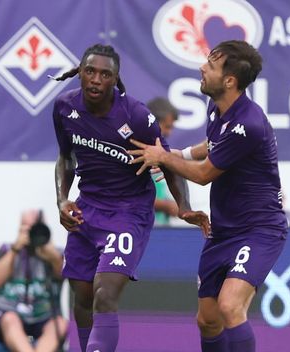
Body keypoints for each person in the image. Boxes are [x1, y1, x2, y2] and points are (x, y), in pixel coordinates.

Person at [129, 40, 288, 352]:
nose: (202, 68)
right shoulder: (217, 106)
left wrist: (163, 156)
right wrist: (179, 153)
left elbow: (202, 175)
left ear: (230, 80)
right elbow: (212, 145)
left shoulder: (248, 124)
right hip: (223, 231)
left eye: (211, 66)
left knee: (230, 306)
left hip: (259, 230)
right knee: (208, 320)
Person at [51, 43, 209, 352]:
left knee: (104, 294)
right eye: (90, 71)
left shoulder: (136, 116)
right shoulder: (64, 108)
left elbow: (167, 161)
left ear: (115, 79)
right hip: (87, 210)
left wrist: (184, 207)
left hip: (128, 213)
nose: (96, 79)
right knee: (81, 297)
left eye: (105, 74)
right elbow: (65, 158)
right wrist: (61, 200)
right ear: (80, 73)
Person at [0, 210, 68, 352]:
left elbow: (65, 274)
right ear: (20, 228)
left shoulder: (56, 253)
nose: (32, 233)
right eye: (27, 227)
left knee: (61, 324)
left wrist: (52, 256)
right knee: (10, 319)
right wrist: (15, 250)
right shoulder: (7, 249)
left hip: (44, 316)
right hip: (10, 312)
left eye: (36, 227)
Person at [146, 97, 180, 226]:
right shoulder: (137, 151)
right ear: (154, 122)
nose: (169, 133)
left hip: (160, 230)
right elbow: (126, 194)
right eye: (167, 127)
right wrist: (167, 206)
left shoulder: (160, 153)